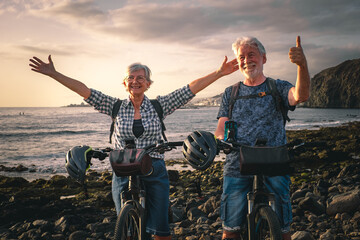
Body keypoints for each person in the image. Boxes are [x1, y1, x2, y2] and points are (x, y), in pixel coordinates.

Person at [29, 55, 238, 240]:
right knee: (126, 226)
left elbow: (189, 89)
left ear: (148, 84)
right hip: (123, 168)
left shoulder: (159, 106)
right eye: (131, 77)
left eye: (140, 78)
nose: (135, 81)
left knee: (161, 231)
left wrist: (219, 73)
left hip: (153, 166)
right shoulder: (114, 106)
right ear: (124, 83)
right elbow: (83, 90)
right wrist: (54, 74)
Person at [214, 36, 310, 240]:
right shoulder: (230, 93)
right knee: (230, 230)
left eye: (251, 55)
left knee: (283, 230)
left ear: (263, 58)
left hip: (274, 161)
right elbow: (221, 127)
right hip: (237, 163)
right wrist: (221, 140)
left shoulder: (278, 87)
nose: (246, 60)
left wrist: (302, 65)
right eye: (242, 57)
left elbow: (300, 95)